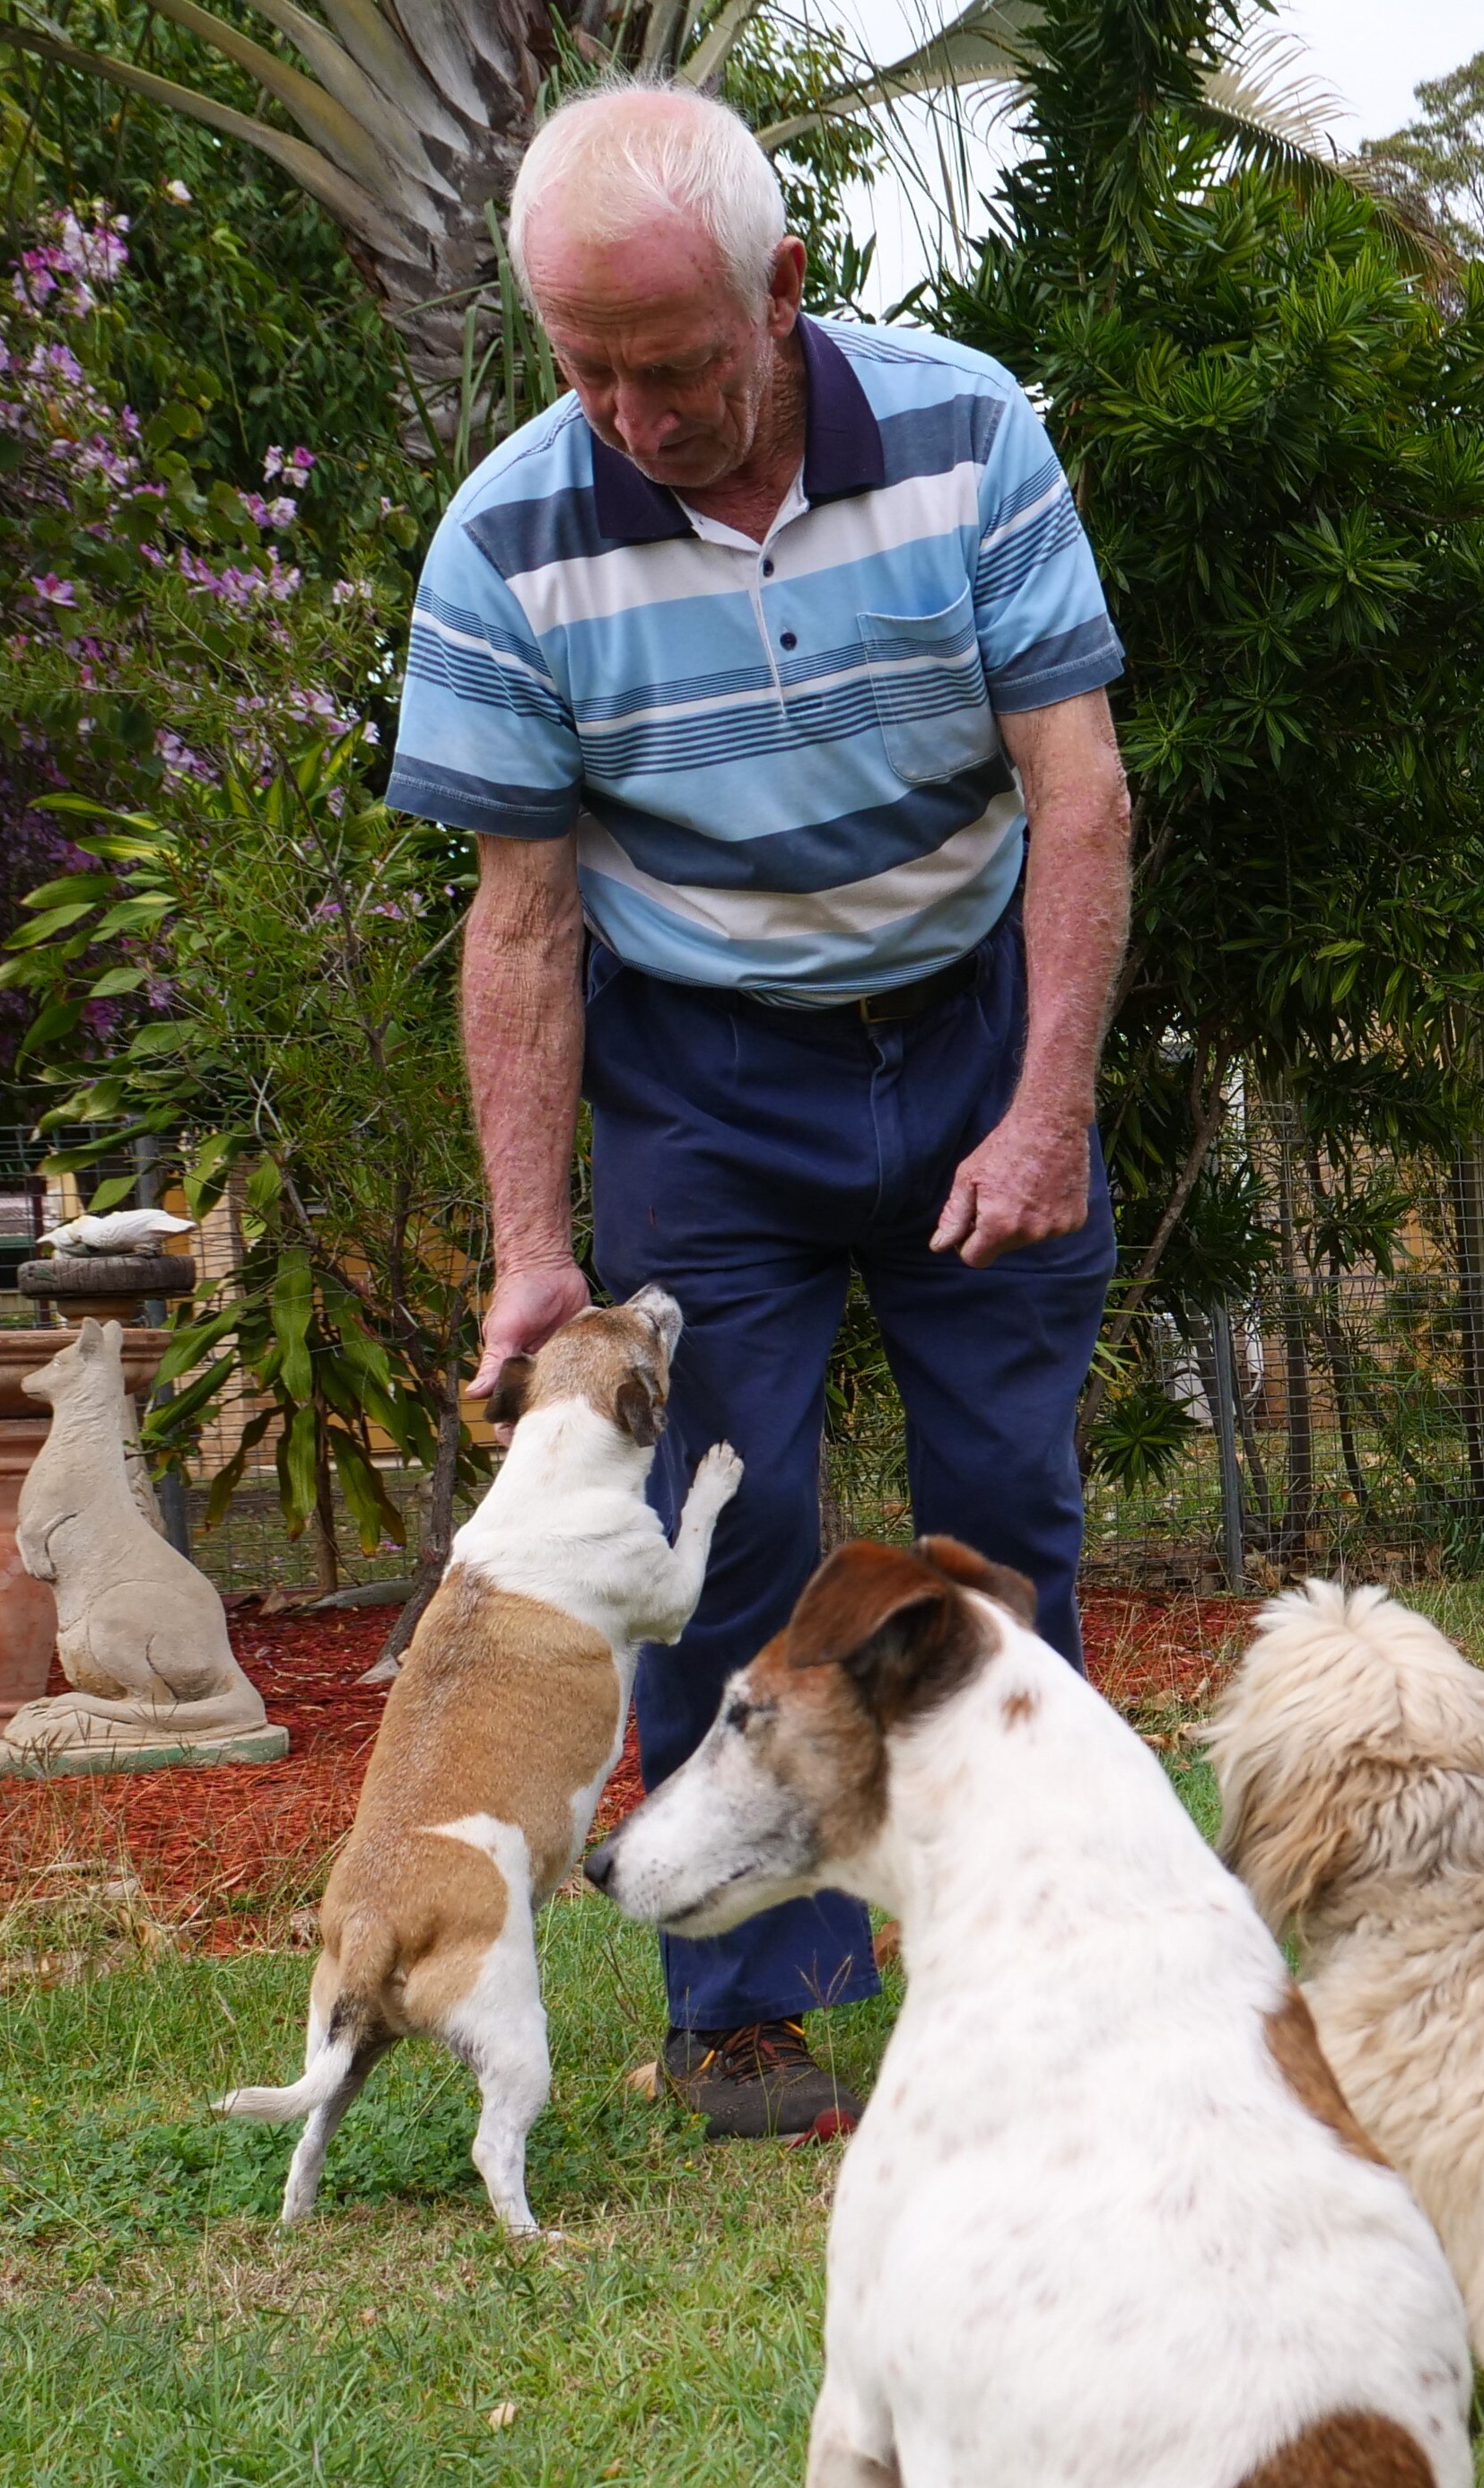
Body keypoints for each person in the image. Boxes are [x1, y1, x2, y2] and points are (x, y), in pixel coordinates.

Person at [386, 83, 1131, 2137]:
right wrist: (538, 1251)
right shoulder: (512, 538)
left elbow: (1080, 796)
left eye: (676, 364)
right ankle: (745, 2001)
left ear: (783, 292)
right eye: (584, 370)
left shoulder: (970, 433)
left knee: (1006, 1519)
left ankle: (1030, 1959)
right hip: (706, 1079)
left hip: (974, 1024)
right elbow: (524, 926)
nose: (630, 412)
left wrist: (1049, 1103)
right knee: (731, 1537)